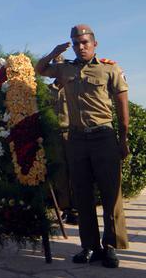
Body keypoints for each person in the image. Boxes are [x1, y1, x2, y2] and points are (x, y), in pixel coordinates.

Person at [36, 24, 129, 268]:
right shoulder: (65, 68)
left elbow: (121, 104)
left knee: (111, 193)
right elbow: (40, 69)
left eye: (85, 42)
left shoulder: (109, 68)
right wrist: (54, 50)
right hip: (77, 140)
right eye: (76, 43)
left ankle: (110, 247)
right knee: (82, 195)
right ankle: (89, 246)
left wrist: (124, 138)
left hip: (104, 137)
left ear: (94, 44)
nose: (80, 47)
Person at [48, 55, 77, 225]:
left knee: (76, 172)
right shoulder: (46, 90)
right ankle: (65, 208)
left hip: (72, 133)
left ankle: (77, 208)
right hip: (54, 135)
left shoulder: (73, 86)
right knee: (60, 174)